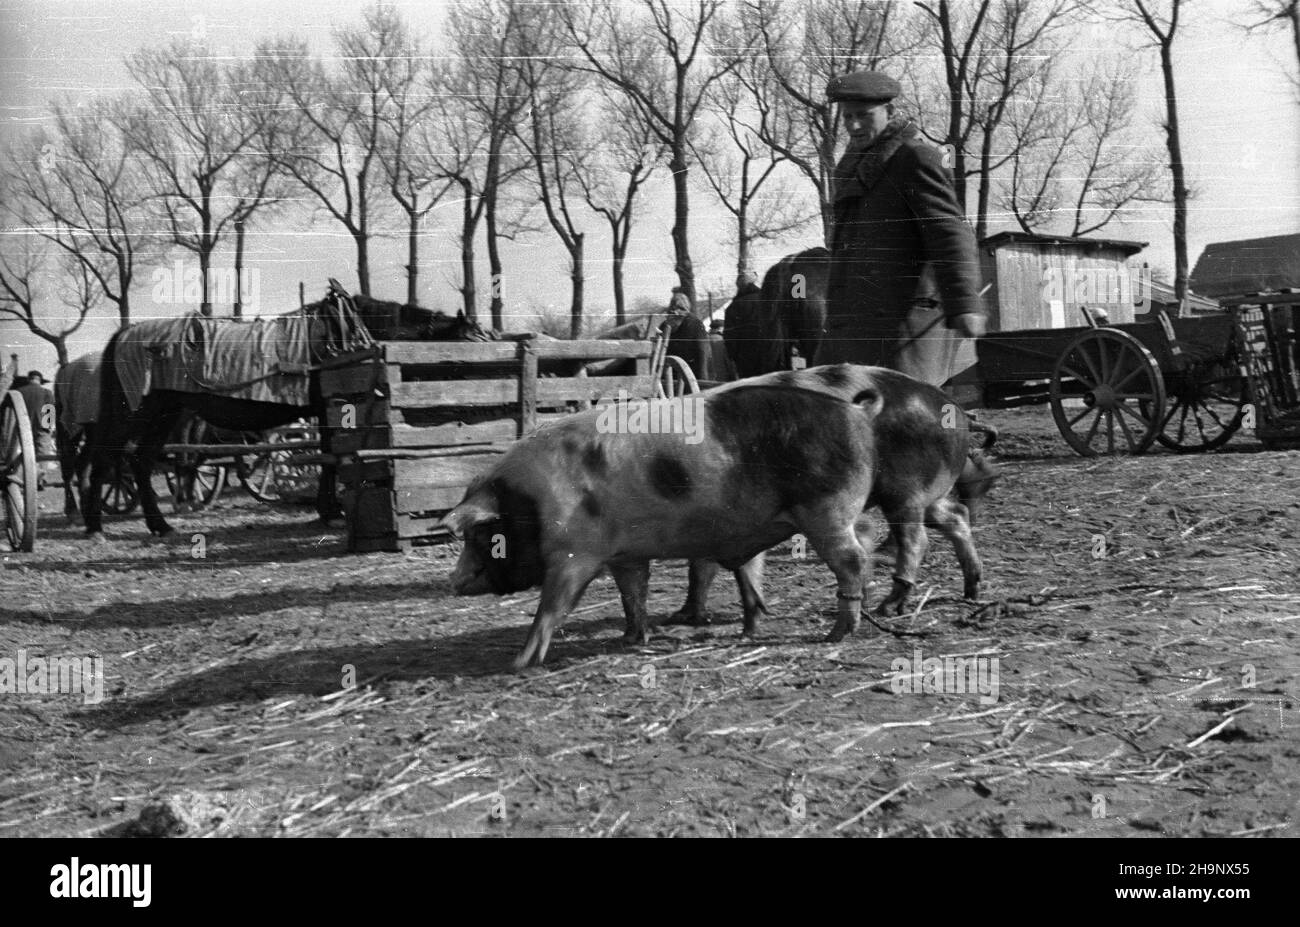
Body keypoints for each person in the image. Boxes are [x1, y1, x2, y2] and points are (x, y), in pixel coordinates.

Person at [817, 70, 986, 386]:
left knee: (904, 423)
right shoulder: (851, 166)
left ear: (890, 112)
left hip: (900, 327)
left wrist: (965, 303)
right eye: (847, 116)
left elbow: (949, 231)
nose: (853, 125)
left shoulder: (915, 158)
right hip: (852, 325)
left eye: (864, 116)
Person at [657, 286, 711, 383]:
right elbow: (702, 350)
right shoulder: (695, 323)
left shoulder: (664, 324)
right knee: (695, 398)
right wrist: (703, 377)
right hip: (691, 374)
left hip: (670, 376)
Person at [16, 370, 56, 490]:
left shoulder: (19, 392)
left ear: (29, 379)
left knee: (23, 453)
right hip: (41, 427)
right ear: (40, 381)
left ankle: (23, 478)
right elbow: (49, 413)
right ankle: (40, 479)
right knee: (42, 453)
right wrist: (48, 429)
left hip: (21, 426)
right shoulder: (46, 392)